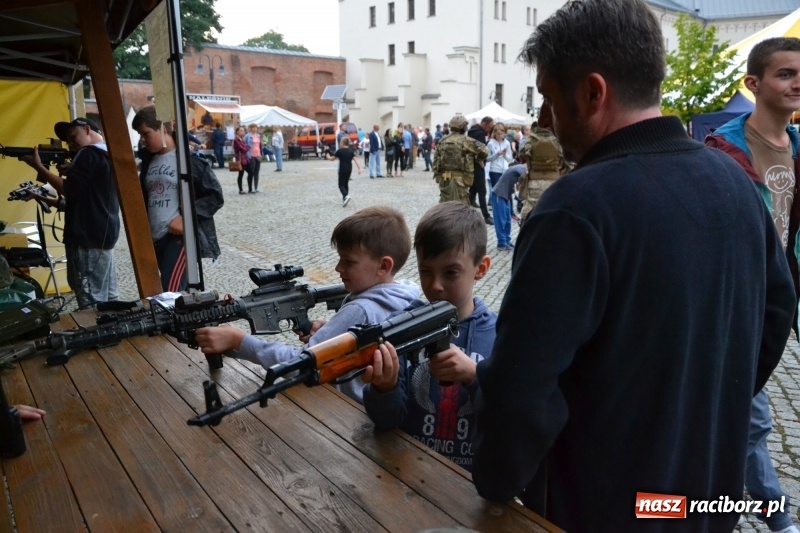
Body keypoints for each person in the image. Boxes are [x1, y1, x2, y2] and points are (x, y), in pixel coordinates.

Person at [470, 1, 797, 532]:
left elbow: (522, 387)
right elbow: (778, 308)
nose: (545, 120)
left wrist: (497, 480)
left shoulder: (574, 208)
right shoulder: (734, 181)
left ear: (593, 93)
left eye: (550, 100)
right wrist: (716, 397)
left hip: (600, 504)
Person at [705, 37, 800, 533]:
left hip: (779, 303)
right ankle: (775, 516)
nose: (798, 82)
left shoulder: (799, 148)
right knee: (753, 416)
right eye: (786, 73)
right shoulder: (721, 152)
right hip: (738, 304)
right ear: (753, 84)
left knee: (741, 413)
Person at [193, 206, 421, 402]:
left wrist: (239, 340)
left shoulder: (360, 309)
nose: (338, 268)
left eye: (348, 261)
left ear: (383, 266)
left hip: (343, 410)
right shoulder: (405, 296)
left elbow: (301, 366)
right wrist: (333, 331)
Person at [362, 202, 494, 473]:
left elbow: (511, 420)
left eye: (451, 272)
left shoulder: (500, 334)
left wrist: (474, 376)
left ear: (480, 269)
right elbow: (386, 421)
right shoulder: (402, 327)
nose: (435, 285)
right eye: (426, 271)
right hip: (410, 474)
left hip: (472, 484)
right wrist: (384, 388)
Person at [20, 117, 120, 309]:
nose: (71, 143)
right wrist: (42, 196)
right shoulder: (108, 155)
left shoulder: (87, 154)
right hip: (104, 235)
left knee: (90, 300)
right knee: (108, 296)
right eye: (68, 140)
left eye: (74, 136)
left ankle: (94, 337)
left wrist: (39, 167)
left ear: (88, 129)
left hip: (85, 238)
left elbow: (70, 191)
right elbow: (79, 201)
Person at [133, 106, 223, 293]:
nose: (142, 139)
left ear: (163, 129)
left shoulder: (189, 160)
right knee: (166, 293)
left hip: (178, 238)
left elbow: (215, 195)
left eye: (146, 133)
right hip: (154, 237)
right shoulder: (148, 160)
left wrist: (186, 217)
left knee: (171, 293)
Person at [516, 103, 569, 221]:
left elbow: (522, 154)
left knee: (530, 213)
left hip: (534, 182)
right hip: (554, 182)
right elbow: (569, 163)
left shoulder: (531, 140)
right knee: (552, 213)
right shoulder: (559, 140)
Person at [432, 114, 488, 205]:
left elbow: (436, 160)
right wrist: (478, 159)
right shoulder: (466, 140)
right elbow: (485, 150)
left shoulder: (442, 140)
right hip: (460, 179)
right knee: (460, 205)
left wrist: (437, 174)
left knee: (446, 204)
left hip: (445, 178)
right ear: (462, 127)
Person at [491, 164, 525, 251]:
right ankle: (501, 243)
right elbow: (524, 175)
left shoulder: (520, 167)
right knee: (501, 220)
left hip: (506, 194)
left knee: (507, 219)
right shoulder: (522, 168)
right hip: (499, 193)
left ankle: (507, 240)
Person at [467, 116, 495, 225]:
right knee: (482, 191)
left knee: (473, 190)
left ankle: (465, 211)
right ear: (484, 123)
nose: (489, 129)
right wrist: (481, 162)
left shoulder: (473, 131)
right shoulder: (479, 133)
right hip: (478, 165)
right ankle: (486, 216)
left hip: (473, 165)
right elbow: (478, 150)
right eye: (489, 127)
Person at [326, 137, 361, 207]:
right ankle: (345, 199)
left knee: (340, 184)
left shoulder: (340, 151)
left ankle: (346, 196)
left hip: (342, 169)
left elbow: (332, 159)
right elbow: (355, 159)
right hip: (349, 169)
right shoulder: (351, 151)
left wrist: (328, 156)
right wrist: (359, 168)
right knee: (346, 183)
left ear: (342, 143)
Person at [486, 123, 513, 204]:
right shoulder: (490, 143)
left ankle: (508, 209)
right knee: (497, 191)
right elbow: (487, 159)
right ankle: (496, 207)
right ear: (494, 133)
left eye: (501, 134)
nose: (499, 136)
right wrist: (497, 154)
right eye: (498, 134)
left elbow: (510, 159)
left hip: (505, 170)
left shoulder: (507, 143)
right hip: (494, 170)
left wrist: (504, 155)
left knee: (507, 191)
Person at [232, 126, 253, 194]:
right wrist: (246, 147)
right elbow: (243, 149)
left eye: (243, 131)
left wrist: (246, 147)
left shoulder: (242, 139)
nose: (242, 132)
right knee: (241, 174)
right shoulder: (236, 140)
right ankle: (240, 190)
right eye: (241, 131)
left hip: (245, 159)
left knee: (251, 172)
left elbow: (246, 147)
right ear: (237, 131)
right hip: (240, 159)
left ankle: (250, 189)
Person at [244, 124, 262, 192]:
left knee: (257, 172)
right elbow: (244, 145)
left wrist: (261, 153)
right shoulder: (247, 136)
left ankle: (256, 187)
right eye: (253, 128)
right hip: (251, 155)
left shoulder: (258, 136)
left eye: (255, 128)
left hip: (258, 154)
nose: (254, 129)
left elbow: (260, 145)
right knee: (251, 171)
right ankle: (250, 188)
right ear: (250, 128)